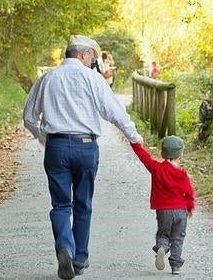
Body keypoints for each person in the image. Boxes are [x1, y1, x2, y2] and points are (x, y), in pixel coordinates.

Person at [23, 34, 143, 279]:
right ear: (83, 54)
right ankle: (79, 258)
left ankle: (65, 247)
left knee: (60, 204)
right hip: (86, 146)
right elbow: (114, 113)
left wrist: (45, 138)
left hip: (56, 147)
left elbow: (29, 117)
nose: (93, 62)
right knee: (83, 203)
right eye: (92, 57)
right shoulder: (92, 78)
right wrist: (134, 137)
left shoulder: (47, 78)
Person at [130, 136, 195, 275]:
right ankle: (175, 266)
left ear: (162, 153)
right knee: (178, 237)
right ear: (181, 154)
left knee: (163, 234)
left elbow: (143, 157)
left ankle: (161, 248)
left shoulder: (156, 168)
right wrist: (189, 208)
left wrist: (134, 142)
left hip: (163, 211)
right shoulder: (183, 174)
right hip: (180, 211)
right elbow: (189, 193)